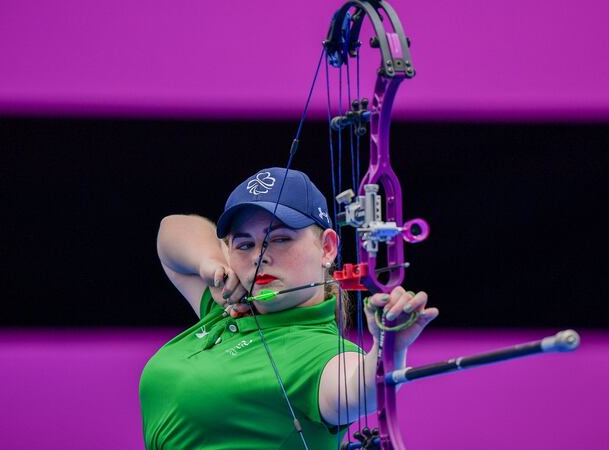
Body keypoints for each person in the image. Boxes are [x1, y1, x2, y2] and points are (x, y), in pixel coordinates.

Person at [139, 167, 438, 449]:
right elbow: (172, 230)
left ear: (327, 248)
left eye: (279, 239)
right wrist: (212, 266)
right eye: (244, 245)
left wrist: (389, 348)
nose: (259, 257)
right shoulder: (225, 307)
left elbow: (358, 391)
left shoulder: (320, 351)